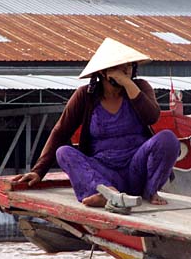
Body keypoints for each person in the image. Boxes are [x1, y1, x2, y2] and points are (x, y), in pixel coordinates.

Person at [13, 38, 180, 207]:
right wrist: (38, 171)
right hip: (104, 171)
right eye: (119, 68)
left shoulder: (140, 88)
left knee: (168, 139)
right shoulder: (85, 95)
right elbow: (61, 132)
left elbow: (152, 117)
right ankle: (106, 192)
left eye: (129, 66)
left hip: (137, 168)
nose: (125, 71)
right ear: (103, 72)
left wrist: (128, 84)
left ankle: (150, 191)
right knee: (63, 152)